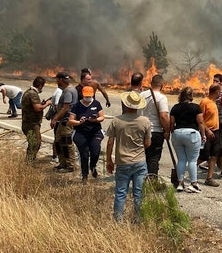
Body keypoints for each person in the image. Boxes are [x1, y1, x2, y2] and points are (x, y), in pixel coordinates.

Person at [105, 90, 152, 223]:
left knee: (120, 193)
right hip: (139, 162)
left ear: (125, 105)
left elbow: (109, 143)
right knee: (138, 193)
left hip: (123, 162)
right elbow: (148, 143)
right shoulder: (145, 121)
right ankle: (137, 219)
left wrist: (109, 160)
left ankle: (118, 220)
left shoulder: (116, 121)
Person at [170, 86, 206, 193]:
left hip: (177, 133)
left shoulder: (175, 107)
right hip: (191, 133)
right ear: (191, 96)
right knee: (192, 160)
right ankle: (193, 183)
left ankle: (180, 183)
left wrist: (173, 132)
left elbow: (171, 123)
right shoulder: (196, 107)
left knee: (181, 160)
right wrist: (203, 134)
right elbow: (200, 122)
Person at [69, 85, 106, 182]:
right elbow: (71, 121)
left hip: (95, 132)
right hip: (81, 133)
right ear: (82, 95)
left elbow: (102, 117)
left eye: (90, 96)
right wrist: (79, 122)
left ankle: (93, 166)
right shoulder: (77, 106)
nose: (88, 98)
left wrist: (95, 119)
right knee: (84, 154)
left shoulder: (96, 104)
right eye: (86, 96)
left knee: (95, 151)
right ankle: (84, 175)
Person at [139, 74, 170, 185]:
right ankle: (152, 182)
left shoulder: (141, 95)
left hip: (140, 129)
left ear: (151, 84)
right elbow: (163, 116)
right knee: (153, 157)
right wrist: (167, 130)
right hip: (155, 131)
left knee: (141, 156)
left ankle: (139, 180)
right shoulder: (161, 97)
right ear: (162, 85)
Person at [50, 72, 78, 173]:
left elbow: (66, 107)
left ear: (61, 80)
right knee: (58, 141)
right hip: (62, 121)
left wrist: (55, 118)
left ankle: (70, 165)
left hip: (66, 121)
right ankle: (63, 163)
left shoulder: (68, 91)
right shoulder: (69, 89)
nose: (57, 81)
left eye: (57, 79)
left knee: (66, 143)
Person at [21, 76, 51, 163]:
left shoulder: (28, 92)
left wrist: (42, 104)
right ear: (41, 85)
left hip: (28, 122)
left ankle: (29, 160)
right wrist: (47, 104)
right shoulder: (32, 94)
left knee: (34, 142)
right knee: (35, 143)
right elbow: (38, 108)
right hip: (31, 124)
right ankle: (29, 162)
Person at [200, 83, 222, 187]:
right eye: (219, 91)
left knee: (214, 155)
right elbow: (199, 119)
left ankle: (209, 178)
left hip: (216, 132)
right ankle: (180, 174)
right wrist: (207, 130)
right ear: (216, 91)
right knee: (203, 156)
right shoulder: (205, 102)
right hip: (207, 133)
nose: (220, 93)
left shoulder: (214, 102)